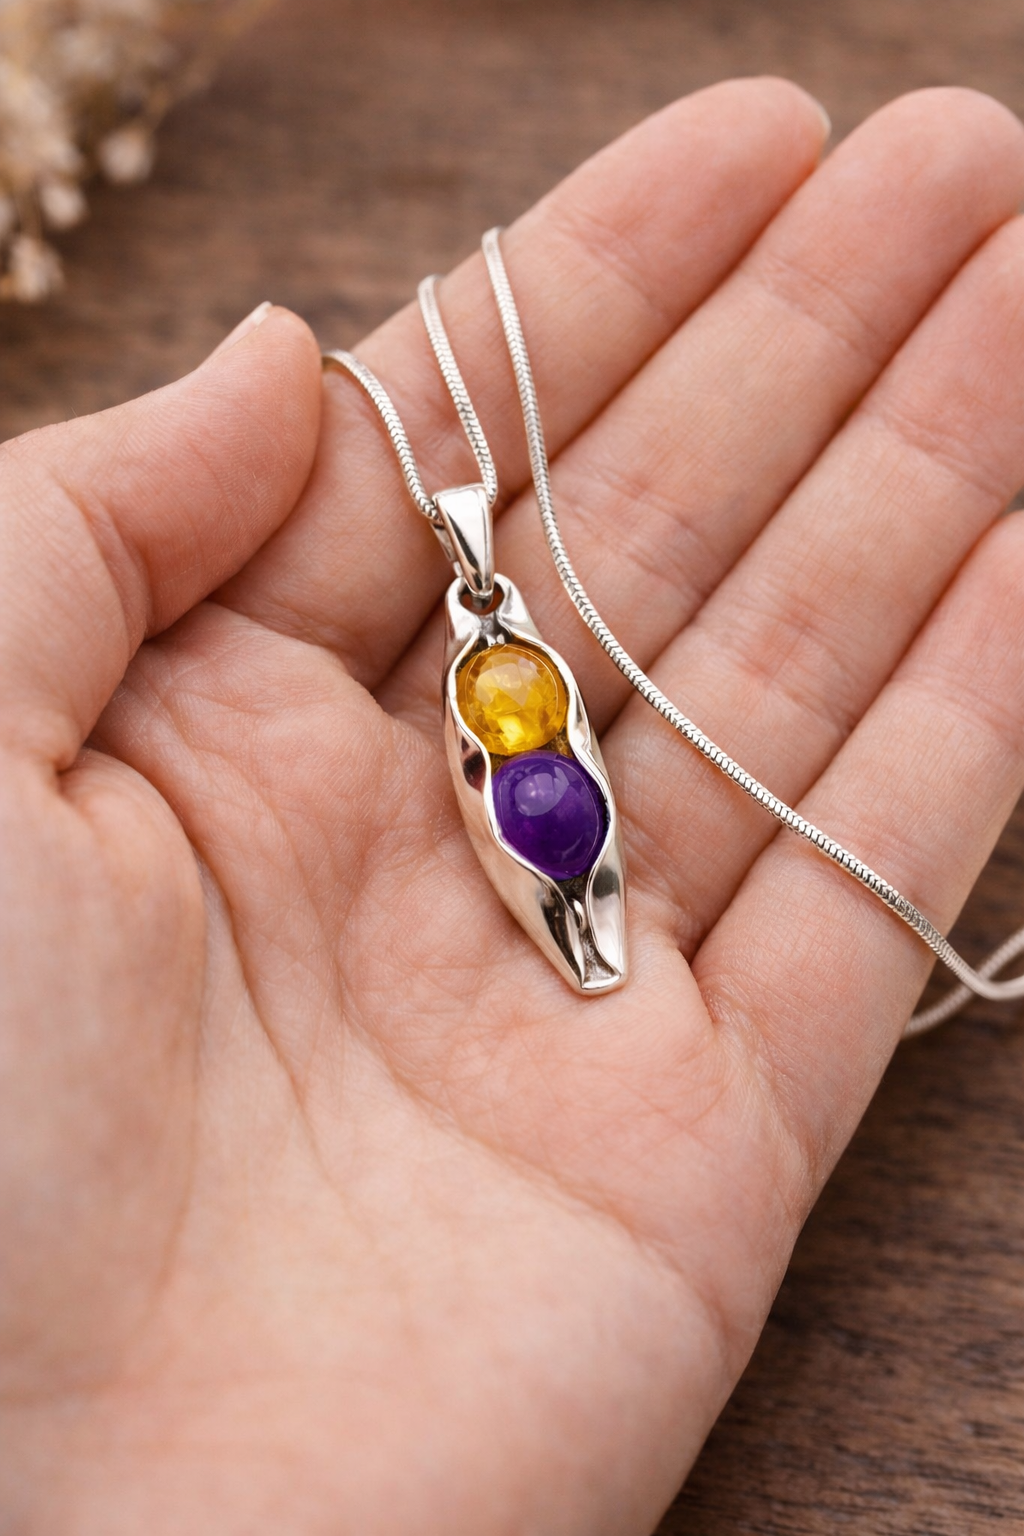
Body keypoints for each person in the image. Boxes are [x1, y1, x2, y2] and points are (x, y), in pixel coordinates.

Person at [3, 76, 1023, 1535]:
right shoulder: (496, 685)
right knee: (548, 805)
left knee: (555, 805)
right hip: (532, 780)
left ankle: (582, 916)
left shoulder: (507, 684)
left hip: (543, 784)